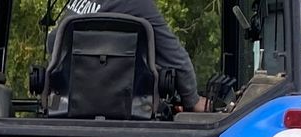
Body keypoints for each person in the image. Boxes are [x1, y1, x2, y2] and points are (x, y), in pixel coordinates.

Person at [60, 0, 209, 110]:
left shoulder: (76, 3)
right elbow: (175, 57)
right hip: (128, 113)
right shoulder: (139, 4)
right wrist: (192, 100)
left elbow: (54, 44)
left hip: (68, 108)